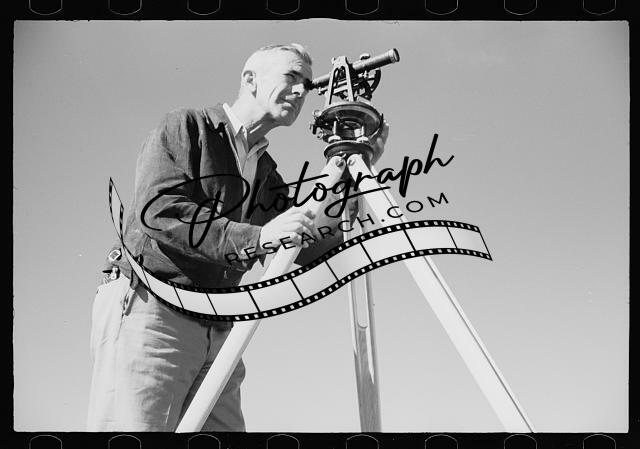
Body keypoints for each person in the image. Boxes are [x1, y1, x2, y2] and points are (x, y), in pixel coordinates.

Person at [87, 43, 387, 432]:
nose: (301, 90)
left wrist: (351, 174)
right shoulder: (187, 127)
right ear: (250, 79)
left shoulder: (264, 170)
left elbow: (312, 247)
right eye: (291, 77)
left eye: (307, 83)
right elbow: (159, 211)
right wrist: (259, 237)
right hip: (154, 307)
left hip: (216, 324)